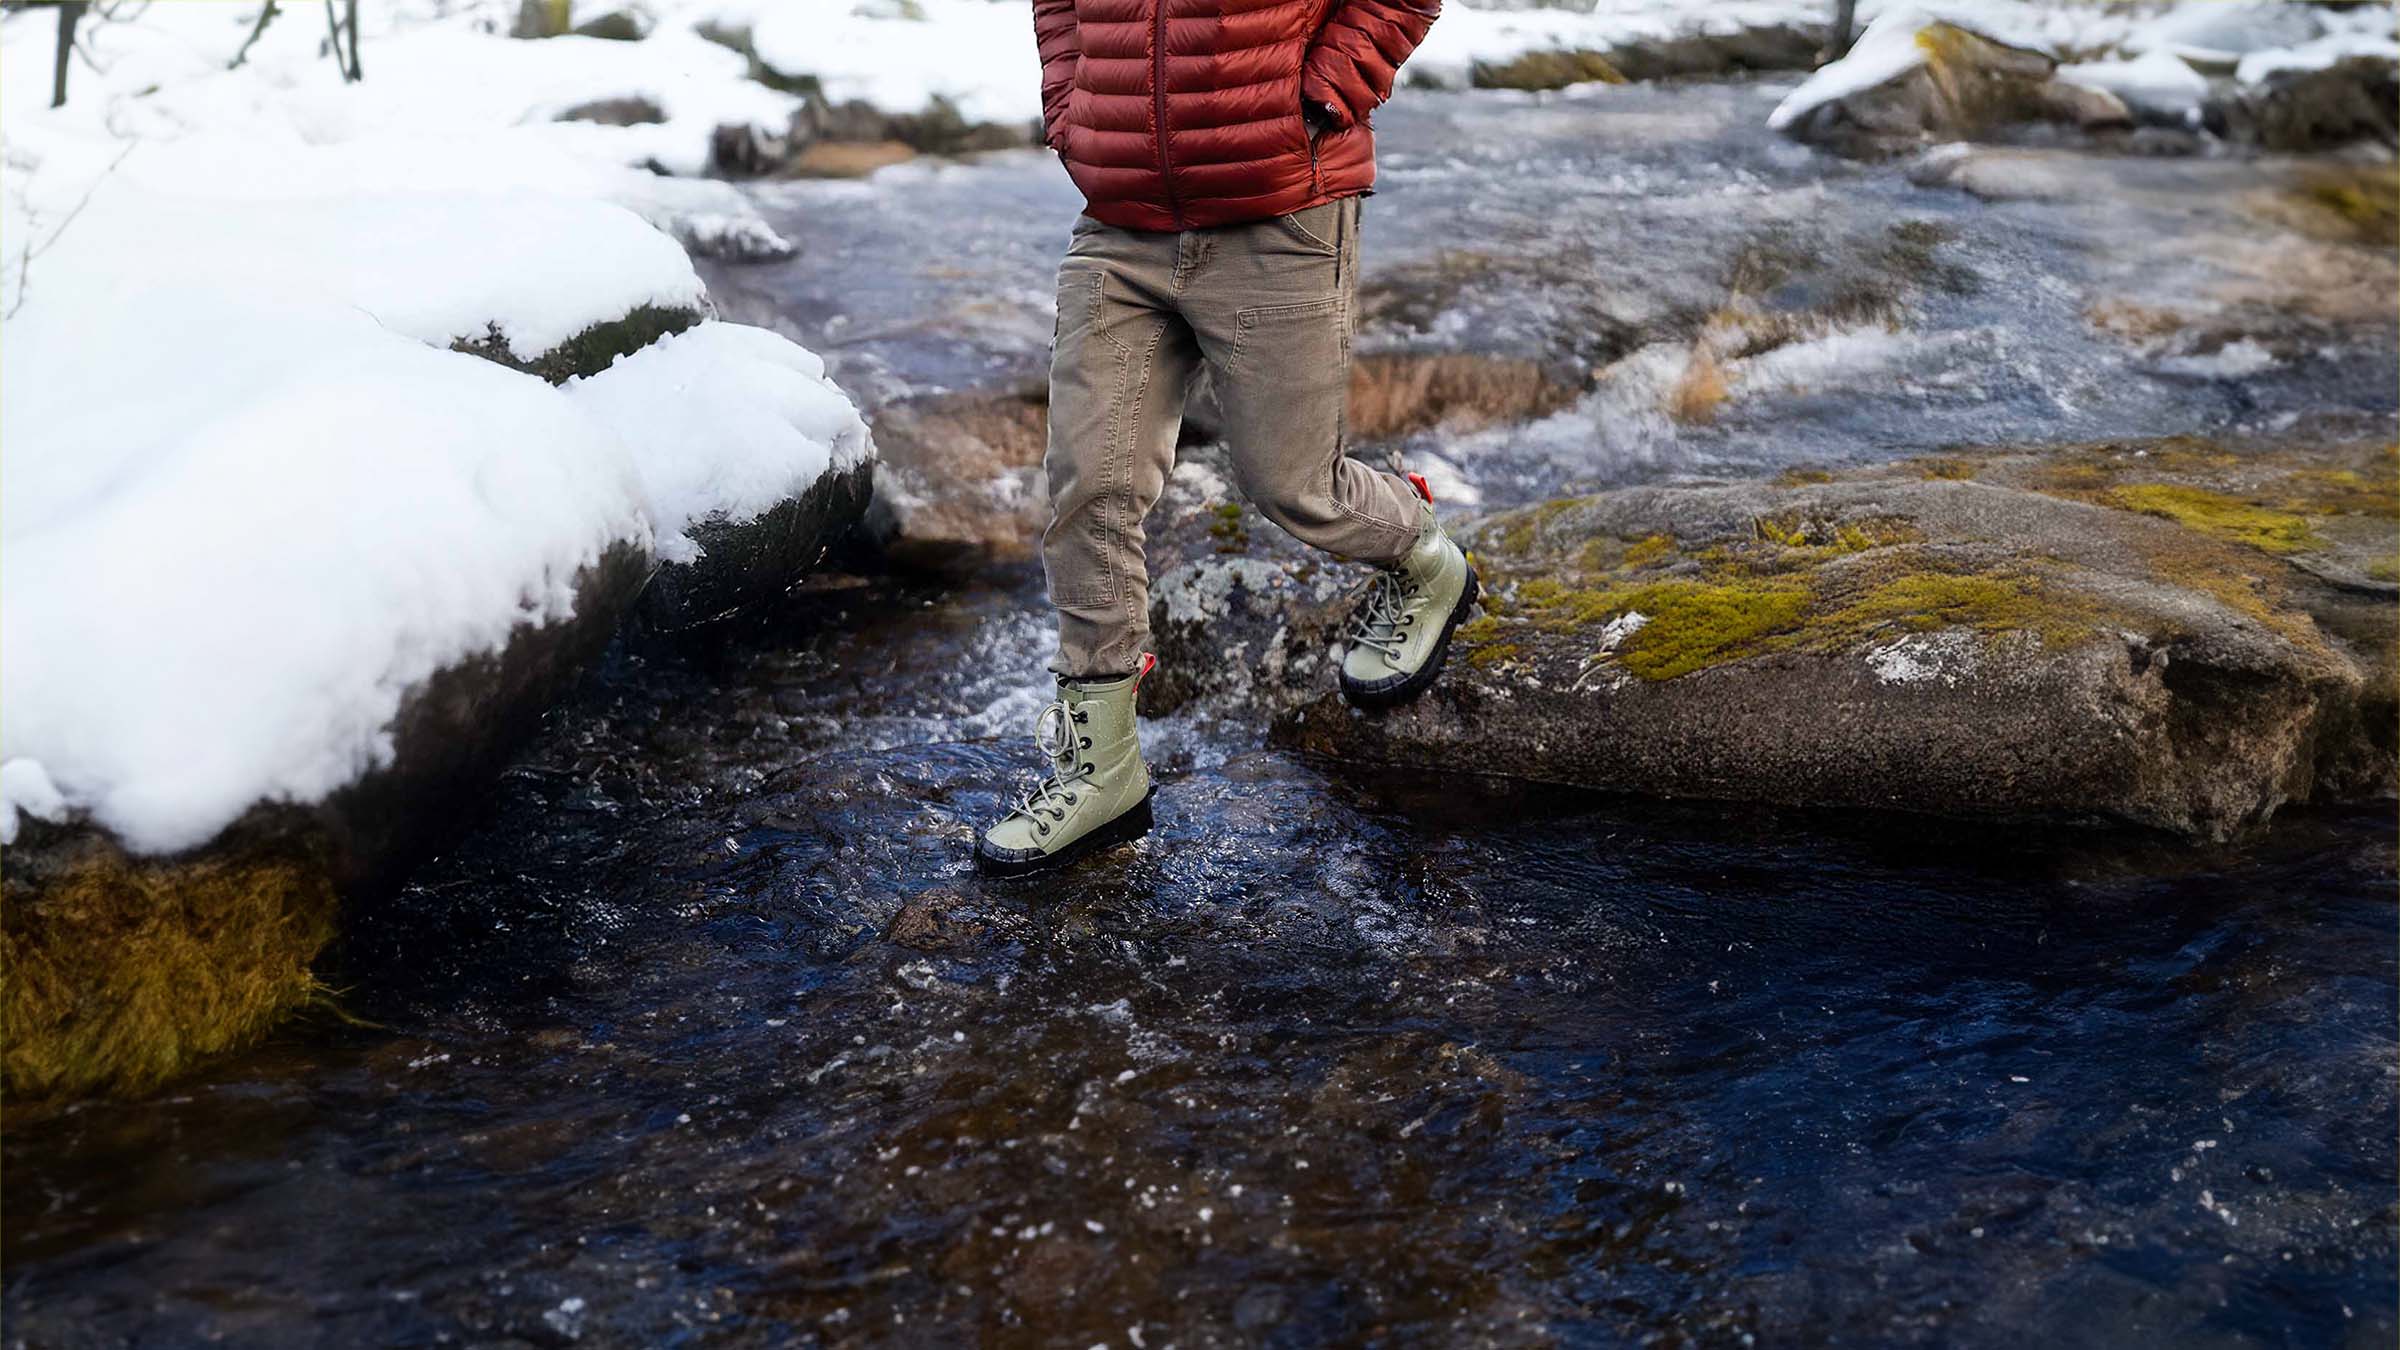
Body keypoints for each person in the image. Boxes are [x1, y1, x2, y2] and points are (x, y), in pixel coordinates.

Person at [977, 0, 1474, 877]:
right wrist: (1073, 107)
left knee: (1293, 487)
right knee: (1087, 487)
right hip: (1121, 219)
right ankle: (1102, 769)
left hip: (1279, 204)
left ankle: (1428, 560)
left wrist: (1326, 92)